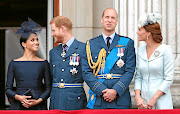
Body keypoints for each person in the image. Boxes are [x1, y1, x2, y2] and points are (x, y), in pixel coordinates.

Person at [82, 8, 136, 109]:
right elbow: (86, 72)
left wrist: (115, 90)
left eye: (113, 18)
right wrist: (102, 90)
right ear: (102, 19)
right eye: (107, 17)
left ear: (116, 22)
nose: (109, 20)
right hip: (98, 99)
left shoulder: (127, 43)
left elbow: (130, 71)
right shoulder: (90, 44)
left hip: (120, 99)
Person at [5, 18, 51, 110]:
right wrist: (18, 97)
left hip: (38, 105)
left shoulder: (44, 63)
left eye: (37, 40)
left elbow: (49, 88)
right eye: (32, 40)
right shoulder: (14, 63)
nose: (37, 42)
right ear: (24, 44)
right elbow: (8, 89)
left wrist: (39, 100)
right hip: (18, 105)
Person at [134, 13, 174, 109]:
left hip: (162, 102)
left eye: (140, 30)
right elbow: (138, 76)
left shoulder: (166, 50)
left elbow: (168, 78)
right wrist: (137, 97)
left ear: (148, 33)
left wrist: (154, 98)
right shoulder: (140, 50)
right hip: (143, 103)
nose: (137, 32)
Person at [49, 16, 87, 110]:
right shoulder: (53, 52)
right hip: (56, 101)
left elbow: (90, 76)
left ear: (62, 29)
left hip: (75, 102)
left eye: (53, 31)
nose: (52, 34)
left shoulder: (83, 48)